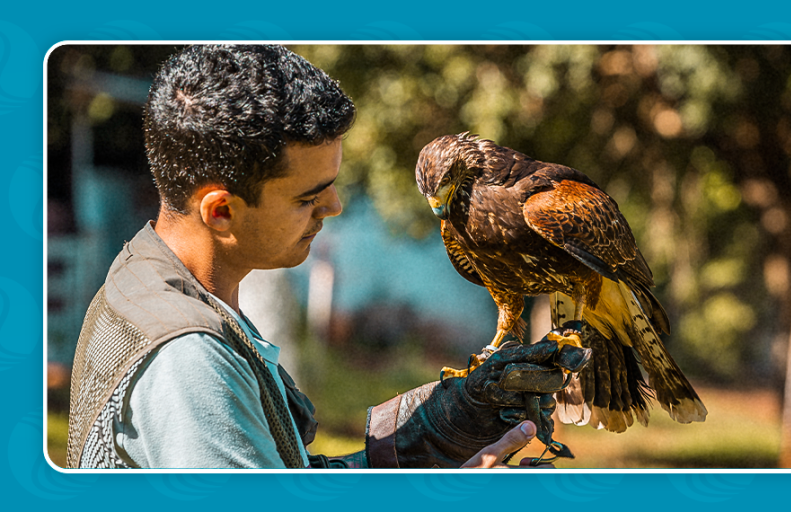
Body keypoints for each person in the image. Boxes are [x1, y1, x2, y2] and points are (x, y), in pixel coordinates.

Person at [66, 44, 580, 469]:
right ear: (220, 211)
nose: (333, 208)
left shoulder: (156, 275)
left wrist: (428, 438)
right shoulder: (188, 361)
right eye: (308, 197)